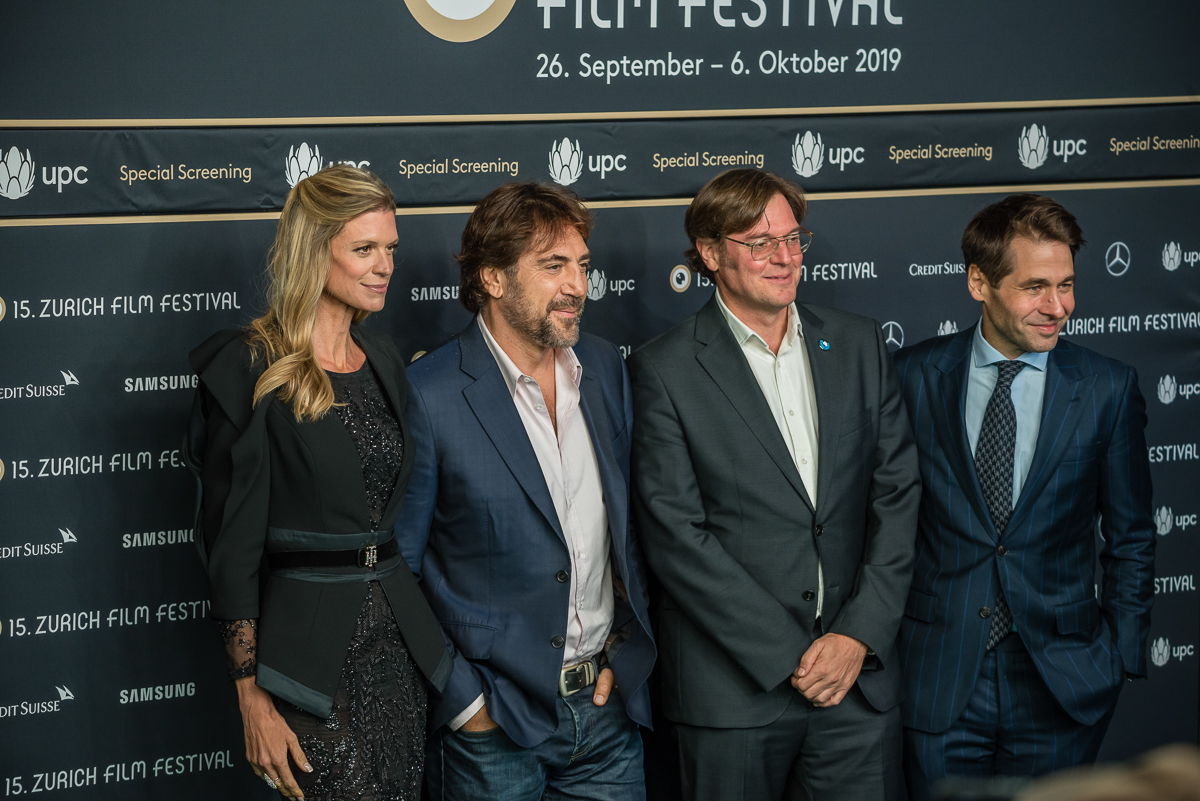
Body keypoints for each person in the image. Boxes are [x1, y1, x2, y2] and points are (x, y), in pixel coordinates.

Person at [628, 168, 920, 801]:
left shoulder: (859, 343)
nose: (785, 258)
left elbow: (896, 496)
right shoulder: (663, 369)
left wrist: (857, 635)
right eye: (760, 243)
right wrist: (794, 654)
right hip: (732, 694)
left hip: (856, 685)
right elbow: (676, 536)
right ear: (710, 253)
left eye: (792, 239)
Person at [187, 165, 451, 801]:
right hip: (307, 668)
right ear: (314, 251)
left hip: (399, 651)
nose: (385, 266)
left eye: (391, 248)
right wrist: (251, 697)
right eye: (364, 249)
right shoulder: (251, 365)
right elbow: (232, 549)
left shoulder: (383, 357)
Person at [394, 182, 656, 800]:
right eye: (553, 265)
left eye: (582, 265)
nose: (577, 286)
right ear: (492, 278)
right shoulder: (428, 393)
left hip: (607, 713)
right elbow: (398, 569)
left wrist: (621, 654)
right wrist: (465, 703)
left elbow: (626, 530)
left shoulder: (603, 368)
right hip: (493, 729)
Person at [892, 194, 1155, 797]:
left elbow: (1133, 536)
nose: (1057, 307)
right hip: (938, 676)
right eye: (1036, 287)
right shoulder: (910, 376)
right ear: (978, 283)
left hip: (1063, 681)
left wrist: (1119, 656)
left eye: (1066, 285)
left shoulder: (1107, 388)